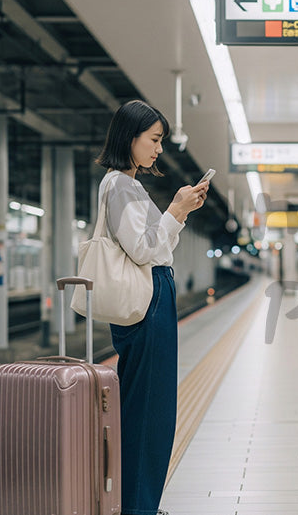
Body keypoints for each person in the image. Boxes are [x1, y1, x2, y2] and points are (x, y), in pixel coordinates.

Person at [94, 99, 208, 515]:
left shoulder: (121, 184)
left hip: (147, 297)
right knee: (150, 412)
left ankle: (135, 503)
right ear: (131, 136)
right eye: (154, 139)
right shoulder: (122, 185)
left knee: (141, 407)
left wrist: (178, 214)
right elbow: (146, 250)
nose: (159, 149)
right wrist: (176, 209)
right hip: (149, 299)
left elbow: (153, 244)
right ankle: (137, 508)